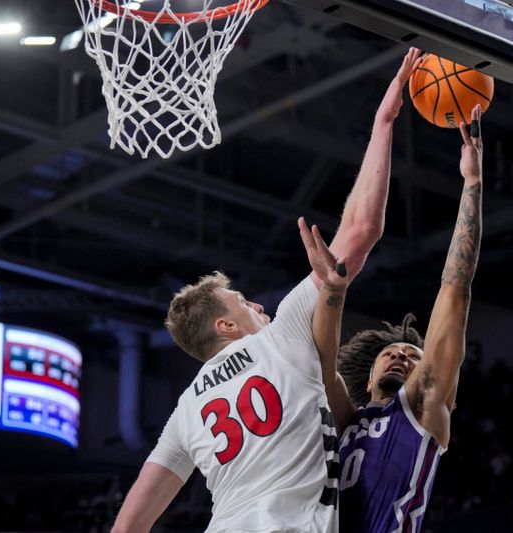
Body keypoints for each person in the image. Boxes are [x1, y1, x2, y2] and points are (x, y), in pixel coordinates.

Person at [111, 48, 423, 533]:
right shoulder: (281, 336)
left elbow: (128, 525)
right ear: (226, 325)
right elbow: (361, 228)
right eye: (246, 303)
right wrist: (384, 121)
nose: (261, 306)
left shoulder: (186, 412)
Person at [318, 104, 485, 532]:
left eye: (412, 355)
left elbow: (454, 289)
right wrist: (331, 292)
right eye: (390, 353)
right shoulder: (343, 419)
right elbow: (320, 359)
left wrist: (472, 184)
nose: (398, 357)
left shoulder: (423, 403)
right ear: (368, 380)